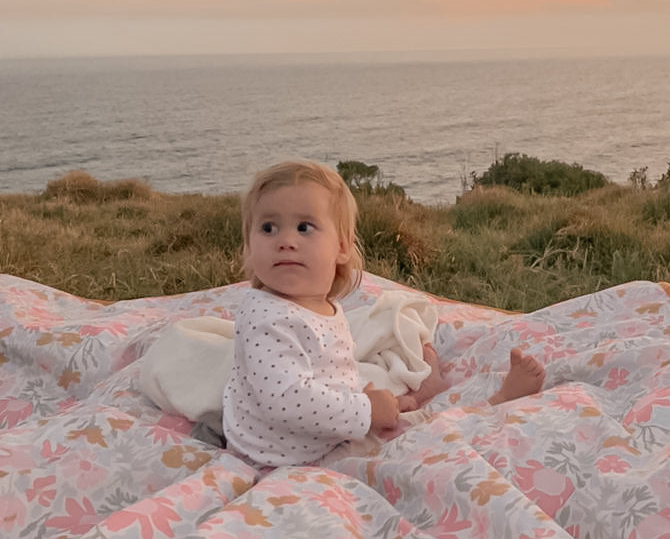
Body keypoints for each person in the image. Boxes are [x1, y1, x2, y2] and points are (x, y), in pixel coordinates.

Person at [222, 160, 544, 469]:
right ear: (249, 247)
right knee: (423, 448)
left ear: (342, 247)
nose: (286, 241)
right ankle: (492, 406)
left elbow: (322, 374)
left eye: (305, 227)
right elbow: (286, 400)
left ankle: (433, 399)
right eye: (268, 228)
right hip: (281, 460)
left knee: (405, 424)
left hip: (322, 436)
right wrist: (364, 410)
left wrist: (360, 400)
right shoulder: (266, 319)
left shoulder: (316, 305)